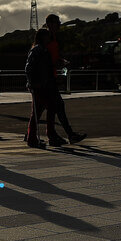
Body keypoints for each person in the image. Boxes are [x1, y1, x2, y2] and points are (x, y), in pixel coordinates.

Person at [42, 14, 86, 145]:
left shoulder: (53, 38)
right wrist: (56, 64)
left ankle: (33, 134)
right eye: (57, 22)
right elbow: (46, 58)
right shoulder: (47, 38)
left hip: (50, 78)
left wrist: (61, 61)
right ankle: (66, 134)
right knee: (57, 106)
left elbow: (53, 57)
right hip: (48, 79)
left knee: (45, 108)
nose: (60, 24)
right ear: (49, 23)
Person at [25, 28, 56, 148]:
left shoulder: (41, 50)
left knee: (39, 111)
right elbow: (29, 68)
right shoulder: (38, 50)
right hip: (39, 85)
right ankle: (32, 138)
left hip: (42, 84)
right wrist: (33, 82)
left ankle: (32, 137)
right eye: (47, 36)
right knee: (38, 111)